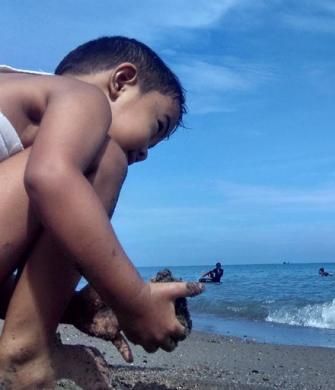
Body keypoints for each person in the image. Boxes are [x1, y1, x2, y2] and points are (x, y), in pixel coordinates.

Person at [0, 36, 204, 387]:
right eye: (156, 127)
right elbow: (50, 178)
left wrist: (72, 309)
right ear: (121, 81)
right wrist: (134, 301)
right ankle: (26, 354)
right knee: (107, 157)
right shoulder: (83, 98)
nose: (144, 154)